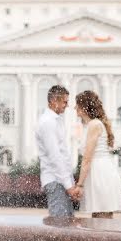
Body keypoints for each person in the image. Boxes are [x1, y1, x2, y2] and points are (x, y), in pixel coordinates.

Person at [71, 90, 121, 218]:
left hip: (99, 173)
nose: (74, 107)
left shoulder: (94, 125)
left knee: (101, 220)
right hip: (102, 171)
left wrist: (79, 185)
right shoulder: (94, 124)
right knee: (101, 218)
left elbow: (87, 158)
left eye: (77, 105)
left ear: (84, 107)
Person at [35, 85, 76, 217]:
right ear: (53, 101)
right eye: (64, 101)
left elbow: (62, 155)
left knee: (67, 225)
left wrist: (69, 182)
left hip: (61, 180)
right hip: (55, 180)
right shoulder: (47, 122)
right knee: (60, 226)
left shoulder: (56, 121)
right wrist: (69, 185)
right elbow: (54, 156)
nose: (67, 105)